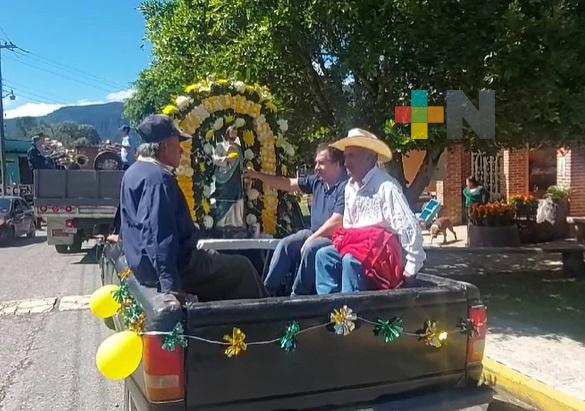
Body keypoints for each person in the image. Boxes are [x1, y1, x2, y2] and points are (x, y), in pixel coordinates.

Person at [119, 114, 266, 302]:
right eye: (177, 143)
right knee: (242, 267)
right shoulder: (158, 179)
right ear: (163, 146)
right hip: (176, 267)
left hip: (146, 265)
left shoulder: (133, 172)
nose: (181, 150)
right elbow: (158, 233)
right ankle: (266, 323)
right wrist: (169, 285)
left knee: (217, 257)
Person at [314, 128, 426, 294]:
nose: (346, 162)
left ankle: (349, 315)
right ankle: (330, 309)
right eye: (345, 156)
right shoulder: (350, 188)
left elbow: (409, 227)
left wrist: (411, 267)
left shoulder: (386, 187)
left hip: (383, 254)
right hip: (357, 247)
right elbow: (349, 228)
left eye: (351, 156)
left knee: (350, 260)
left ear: (369, 157)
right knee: (324, 256)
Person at [244, 144, 348, 296]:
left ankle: (298, 296)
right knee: (285, 244)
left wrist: (313, 237)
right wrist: (257, 175)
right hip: (314, 232)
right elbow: (287, 183)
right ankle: (266, 292)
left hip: (335, 238)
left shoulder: (346, 187)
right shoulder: (317, 181)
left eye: (322, 163)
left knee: (310, 247)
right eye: (316, 163)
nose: (316, 167)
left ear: (337, 164)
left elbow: (337, 221)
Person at [212, 125, 245, 228]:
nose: (234, 134)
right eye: (232, 132)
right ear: (227, 133)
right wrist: (226, 159)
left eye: (236, 133)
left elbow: (240, 162)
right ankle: (222, 222)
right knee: (224, 197)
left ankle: (236, 222)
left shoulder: (238, 147)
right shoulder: (221, 146)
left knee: (236, 198)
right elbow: (215, 159)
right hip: (224, 177)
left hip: (236, 177)